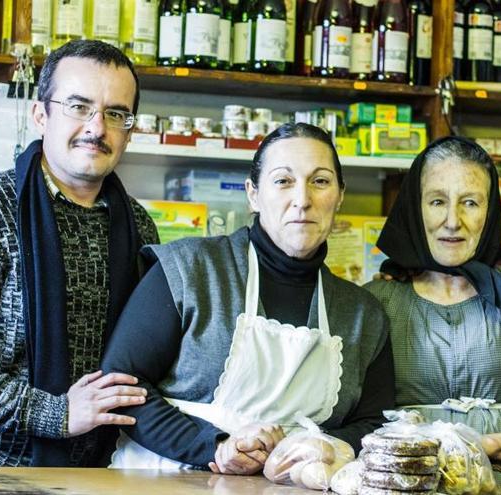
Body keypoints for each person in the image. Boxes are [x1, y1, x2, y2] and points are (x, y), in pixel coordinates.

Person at [0, 40, 159, 467]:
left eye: (115, 114)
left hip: (102, 471)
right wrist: (57, 414)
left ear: (129, 130)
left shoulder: (139, 226)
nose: (97, 128)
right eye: (78, 107)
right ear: (41, 114)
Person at [102, 122, 394, 473]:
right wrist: (214, 445)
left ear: (340, 195)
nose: (303, 200)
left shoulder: (364, 315)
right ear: (253, 194)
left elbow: (376, 423)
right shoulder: (189, 270)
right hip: (166, 481)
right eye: (283, 181)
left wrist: (325, 447)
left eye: (320, 181)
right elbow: (120, 387)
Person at [364, 136, 501, 489]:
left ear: (490, 212)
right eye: (437, 201)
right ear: (414, 208)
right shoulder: (378, 302)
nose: (452, 221)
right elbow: (353, 418)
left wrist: (488, 446)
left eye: (470, 202)